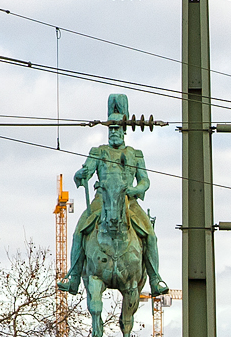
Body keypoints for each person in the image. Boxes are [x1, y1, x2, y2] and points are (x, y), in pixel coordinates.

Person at [58, 94, 167, 298]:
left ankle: (154, 278)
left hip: (129, 202)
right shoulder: (98, 152)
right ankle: (73, 278)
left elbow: (145, 181)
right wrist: (80, 175)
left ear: (124, 130)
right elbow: (85, 173)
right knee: (78, 233)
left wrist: (134, 190)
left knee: (150, 235)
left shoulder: (136, 154)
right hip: (102, 201)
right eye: (111, 128)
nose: (114, 132)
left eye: (117, 128)